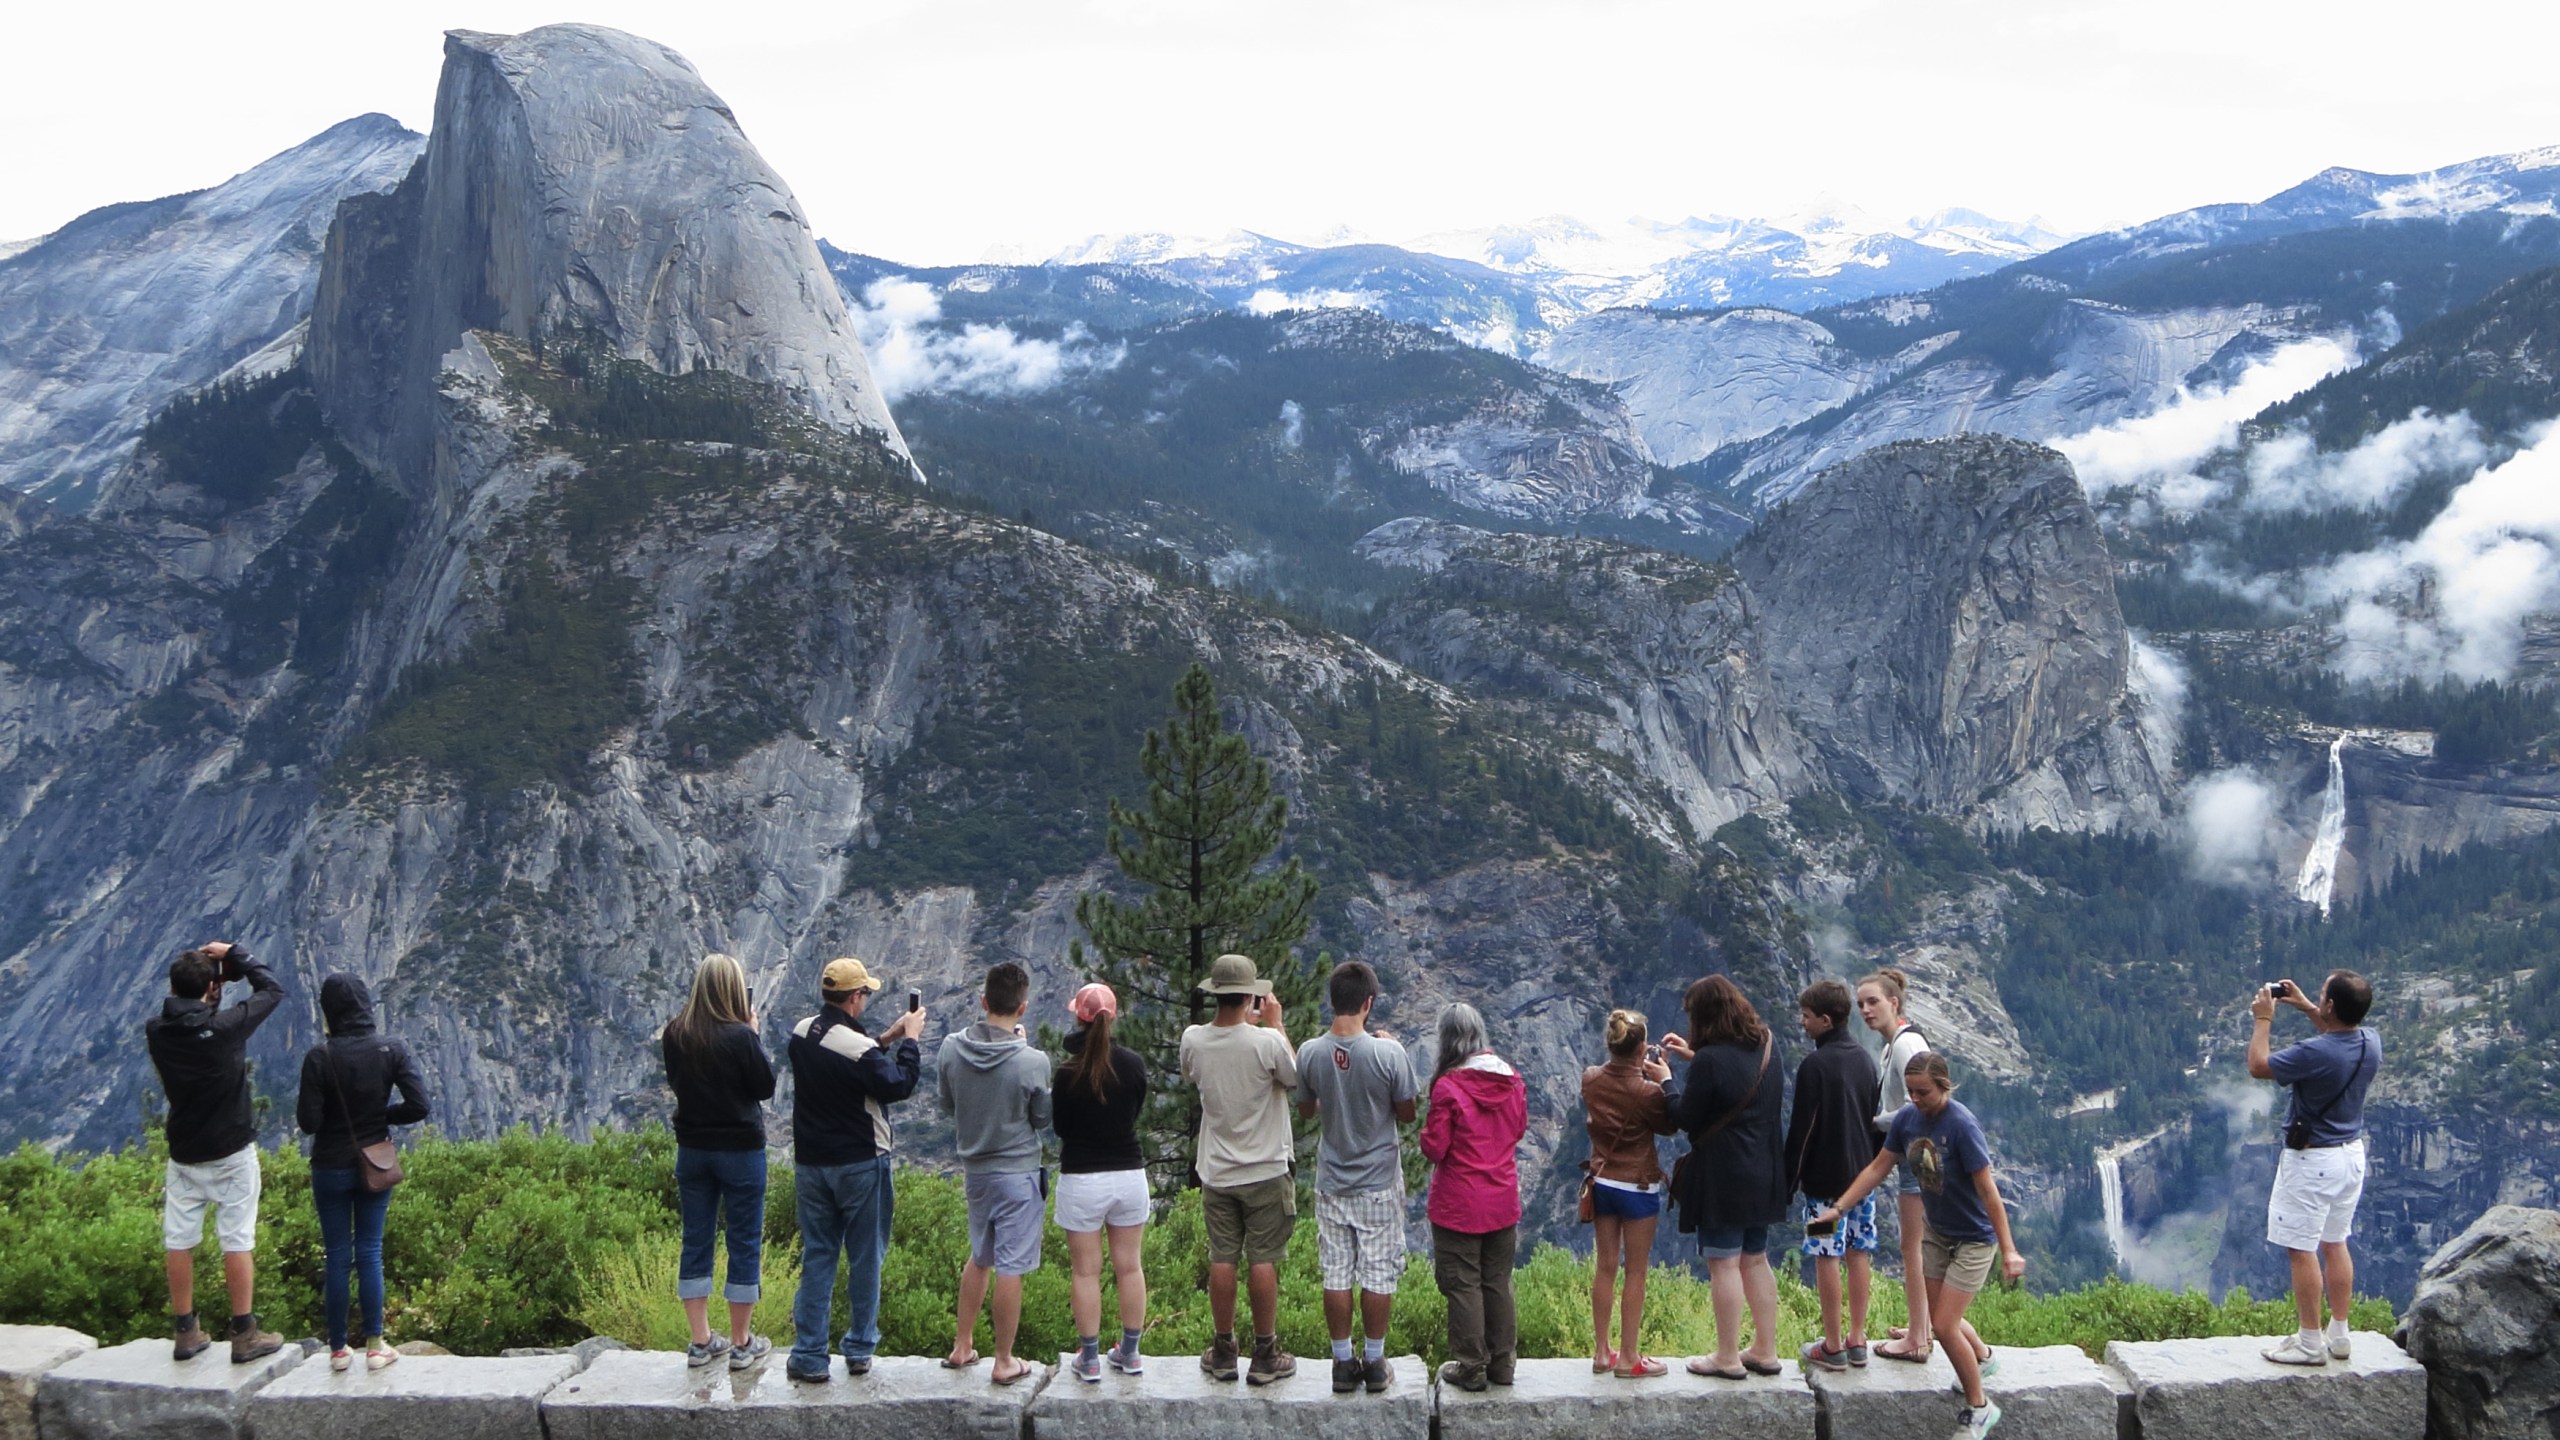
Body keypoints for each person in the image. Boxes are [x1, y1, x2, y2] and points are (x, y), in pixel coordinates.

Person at [1816, 1052, 2026, 1440]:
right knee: (1943, 1316)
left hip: (1974, 1240)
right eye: (1910, 1091)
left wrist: (2009, 1248)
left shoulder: (1962, 1126)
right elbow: (1878, 1167)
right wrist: (1839, 1208)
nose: (1915, 1098)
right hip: (1937, 1232)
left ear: (1945, 1086)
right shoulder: (1908, 1119)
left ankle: (1979, 1407)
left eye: (1924, 1092)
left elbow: (1988, 1191)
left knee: (1942, 1325)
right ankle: (1980, 1358)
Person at [785, 957, 926, 1383]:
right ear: (853, 997)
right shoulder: (858, 1049)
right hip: (862, 1161)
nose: (866, 999)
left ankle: (809, 1354)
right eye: (865, 993)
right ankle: (860, 1348)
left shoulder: (801, 1033)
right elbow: (896, 1084)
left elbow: (848, 1063)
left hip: (812, 1163)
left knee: (819, 1256)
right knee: (866, 1257)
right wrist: (911, 1041)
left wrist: (885, 1036)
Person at [144, 939, 286, 1364]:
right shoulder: (224, 1028)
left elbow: (185, 1011)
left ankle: (185, 1331)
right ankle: (244, 1332)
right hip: (231, 1150)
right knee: (236, 1239)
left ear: (173, 988)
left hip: (184, 1150)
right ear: (211, 989)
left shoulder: (157, 1030)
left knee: (179, 1239)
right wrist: (235, 954)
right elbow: (272, 990)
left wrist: (208, 987)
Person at [295, 974, 431, 1373]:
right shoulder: (392, 1049)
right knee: (369, 1251)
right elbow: (419, 1105)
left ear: (329, 1011)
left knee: (337, 1254)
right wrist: (380, 1117)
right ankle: (375, 1344)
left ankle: (338, 1350)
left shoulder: (319, 1057)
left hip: (330, 1165)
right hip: (376, 1161)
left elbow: (308, 1122)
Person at [1295, 960, 1420, 1394]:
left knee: (1336, 1272)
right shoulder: (1388, 1054)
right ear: (1368, 1003)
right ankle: (1374, 1360)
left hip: (1331, 1178)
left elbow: (1306, 1108)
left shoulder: (1310, 1052)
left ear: (1333, 1001)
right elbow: (1407, 1114)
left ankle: (1342, 1363)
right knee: (1378, 1274)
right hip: (1379, 1181)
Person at [2248, 969, 2380, 1367]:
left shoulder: (2314, 1052)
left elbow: (2259, 1065)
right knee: (2335, 1242)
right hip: (2350, 1156)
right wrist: (2307, 1004)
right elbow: (2337, 1028)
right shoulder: (2370, 1041)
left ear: (2331, 1005)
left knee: (2301, 1250)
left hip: (2312, 1161)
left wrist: (2263, 1018)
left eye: (2322, 995)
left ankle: (2309, 1342)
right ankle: (2338, 1334)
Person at [1180, 953, 1300, 1385]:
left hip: (1218, 1171)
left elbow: (1192, 1073)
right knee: (1263, 1259)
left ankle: (1224, 1348)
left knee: (1223, 1257)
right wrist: (1275, 1024)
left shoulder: (1193, 1039)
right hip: (1266, 1168)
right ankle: (1266, 1352)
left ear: (1215, 994)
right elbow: (1294, 1077)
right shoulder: (1266, 1043)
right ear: (1251, 995)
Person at [1856, 968, 1983, 1368]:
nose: (1865, 1009)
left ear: (1894, 1002)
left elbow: (1919, 1106)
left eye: (1873, 1001)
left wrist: (1873, 1122)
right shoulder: (1891, 1045)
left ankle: (1918, 1337)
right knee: (1916, 1244)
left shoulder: (1907, 1044)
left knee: (1915, 1246)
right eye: (1860, 1004)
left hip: (1919, 1155)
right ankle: (1920, 1326)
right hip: (1915, 1154)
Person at [1661, 975, 1786, 1382]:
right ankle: (1765, 1350)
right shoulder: (1766, 1043)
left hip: (1724, 1174)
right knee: (1756, 1259)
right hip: (1765, 1168)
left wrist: (1665, 1081)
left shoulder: (1712, 1059)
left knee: (1724, 1264)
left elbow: (1685, 1117)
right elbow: (1739, 1078)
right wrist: (1694, 1057)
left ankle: (1728, 1356)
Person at [937, 961, 1054, 1387]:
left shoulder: (951, 1048)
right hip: (1018, 1173)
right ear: (1022, 1008)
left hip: (976, 1172)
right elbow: (1041, 1118)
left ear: (984, 1001)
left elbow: (948, 1103)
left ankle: (962, 1345)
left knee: (980, 1256)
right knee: (1011, 1266)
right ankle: (1003, 1360)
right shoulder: (1032, 1061)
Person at [661, 953, 777, 1371]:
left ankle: (701, 1341)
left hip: (692, 1149)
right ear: (732, 989)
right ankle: (743, 1343)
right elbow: (764, 1088)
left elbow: (675, 1083)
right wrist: (753, 1035)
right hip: (740, 1150)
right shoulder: (740, 1037)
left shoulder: (675, 1033)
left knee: (697, 1239)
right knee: (743, 1240)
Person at [1420, 1001, 1526, 1394]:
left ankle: (1471, 1366)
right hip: (1502, 1199)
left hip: (1458, 1204)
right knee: (1498, 1281)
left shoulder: (1448, 1086)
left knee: (1463, 1284)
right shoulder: (1512, 1079)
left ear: (1447, 1040)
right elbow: (1517, 1130)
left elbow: (1435, 1148)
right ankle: (1504, 1364)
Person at [1053, 981, 1150, 1383]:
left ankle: (1089, 1358)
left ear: (1078, 1016)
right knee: (1130, 1267)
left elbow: (1060, 1128)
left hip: (1082, 1178)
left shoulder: (1067, 1072)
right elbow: (1135, 1112)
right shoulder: (1132, 1064)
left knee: (1086, 1272)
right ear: (1114, 1018)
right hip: (1128, 1173)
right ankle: (1130, 1353)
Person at [1785, 979, 1881, 1372]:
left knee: (1825, 1255)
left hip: (1824, 1186)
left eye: (1806, 1017)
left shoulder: (1814, 1066)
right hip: (1862, 1181)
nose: (1802, 1023)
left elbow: (1802, 1130)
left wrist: (1788, 1180)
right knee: (1860, 1251)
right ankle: (1858, 1339)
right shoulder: (1864, 1059)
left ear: (1825, 1020)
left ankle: (1832, 1344)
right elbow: (1874, 1122)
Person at [1580, 1008, 1676, 1379]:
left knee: (1605, 1267)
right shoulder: (1646, 1092)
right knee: (1635, 1271)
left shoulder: (1590, 1079)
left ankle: (1602, 1351)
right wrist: (1662, 1077)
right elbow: (1668, 1125)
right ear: (1641, 1050)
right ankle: (1629, 1357)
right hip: (1637, 1186)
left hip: (1602, 1181)